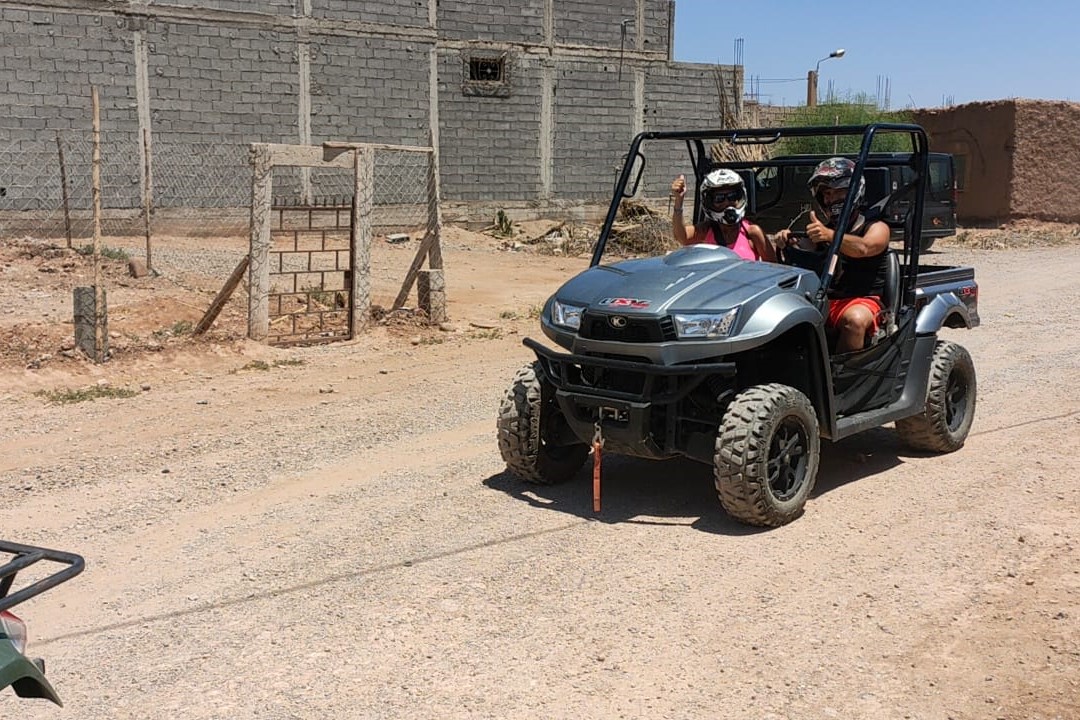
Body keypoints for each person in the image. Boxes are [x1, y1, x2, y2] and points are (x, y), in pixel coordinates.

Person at [775, 157, 891, 353]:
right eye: (827, 194)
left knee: (854, 320)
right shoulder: (821, 231)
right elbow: (802, 253)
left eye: (838, 192)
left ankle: (846, 377)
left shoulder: (877, 227)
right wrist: (787, 241)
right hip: (824, 300)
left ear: (854, 192)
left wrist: (830, 236)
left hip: (864, 300)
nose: (831, 198)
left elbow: (864, 248)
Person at [670, 169, 775, 262]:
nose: (727, 203)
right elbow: (682, 236)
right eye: (719, 198)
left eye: (732, 196)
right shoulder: (706, 230)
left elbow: (774, 271)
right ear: (710, 202)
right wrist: (679, 200)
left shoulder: (751, 233)